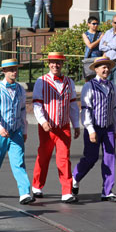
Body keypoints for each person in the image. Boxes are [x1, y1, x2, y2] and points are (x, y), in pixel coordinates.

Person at [32, 52, 81, 203]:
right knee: (44, 156)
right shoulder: (41, 81)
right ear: (48, 64)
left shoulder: (69, 82)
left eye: (58, 62)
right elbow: (37, 104)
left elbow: (72, 105)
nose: (55, 65)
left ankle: (66, 191)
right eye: (52, 62)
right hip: (48, 127)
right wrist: (42, 121)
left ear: (62, 64)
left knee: (64, 158)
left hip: (64, 126)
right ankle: (37, 185)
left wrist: (76, 124)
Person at [0, 59, 35, 205]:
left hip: (16, 130)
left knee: (18, 161)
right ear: (4, 72)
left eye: (15, 69)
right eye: (11, 70)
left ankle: (24, 192)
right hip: (0, 131)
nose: (14, 72)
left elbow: (23, 111)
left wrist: (24, 130)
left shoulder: (20, 89)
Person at [72, 57, 116, 202]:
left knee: (109, 157)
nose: (105, 69)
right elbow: (86, 109)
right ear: (96, 70)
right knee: (91, 158)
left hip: (108, 127)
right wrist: (90, 129)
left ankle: (107, 191)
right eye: (102, 67)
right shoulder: (90, 86)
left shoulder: (112, 86)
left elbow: (115, 109)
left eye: (107, 67)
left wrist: (115, 128)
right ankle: (75, 177)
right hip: (94, 127)